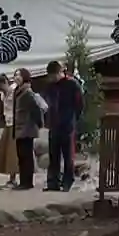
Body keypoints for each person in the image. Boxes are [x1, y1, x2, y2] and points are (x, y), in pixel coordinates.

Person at [43, 59, 83, 191]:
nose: (52, 78)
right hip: (54, 124)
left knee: (68, 156)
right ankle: (53, 182)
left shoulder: (72, 84)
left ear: (60, 72)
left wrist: (73, 119)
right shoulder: (50, 86)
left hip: (68, 124)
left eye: (54, 75)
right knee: (53, 155)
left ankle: (67, 182)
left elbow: (79, 104)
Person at [13, 68, 46, 192]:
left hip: (27, 128)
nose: (16, 77)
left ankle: (27, 182)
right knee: (21, 156)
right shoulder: (18, 91)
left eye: (19, 75)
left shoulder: (27, 92)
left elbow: (36, 109)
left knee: (26, 156)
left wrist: (39, 123)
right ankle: (23, 181)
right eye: (15, 75)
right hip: (19, 127)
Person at [0, 74, 20, 188]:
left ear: (5, 82)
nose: (1, 89)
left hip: (15, 123)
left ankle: (14, 179)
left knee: (13, 153)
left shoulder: (15, 90)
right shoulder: (3, 94)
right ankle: (11, 179)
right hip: (8, 123)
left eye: (1, 86)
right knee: (7, 152)